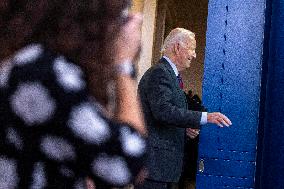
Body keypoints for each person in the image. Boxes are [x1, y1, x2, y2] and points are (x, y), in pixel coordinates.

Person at [0, 0, 147, 188]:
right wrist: (124, 68)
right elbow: (128, 162)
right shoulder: (43, 73)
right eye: (116, 17)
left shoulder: (34, 66)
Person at [137, 28, 232, 189]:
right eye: (192, 49)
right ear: (177, 47)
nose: (194, 55)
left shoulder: (169, 75)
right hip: (154, 169)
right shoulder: (159, 73)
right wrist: (205, 117)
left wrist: (184, 129)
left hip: (164, 169)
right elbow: (164, 111)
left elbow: (164, 116)